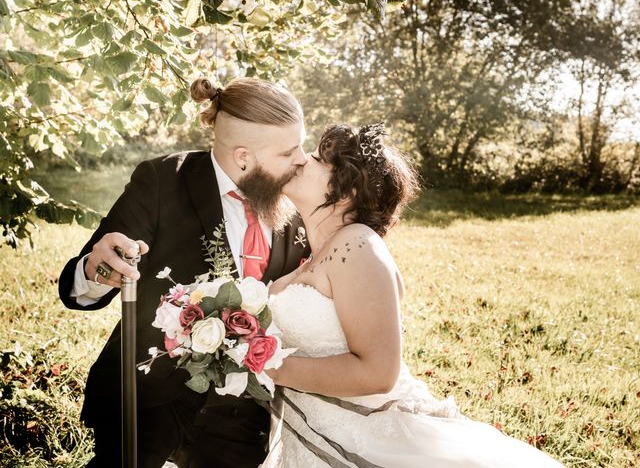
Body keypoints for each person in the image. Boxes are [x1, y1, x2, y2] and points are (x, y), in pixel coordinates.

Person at [262, 123, 564, 467]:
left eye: (316, 159)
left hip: (373, 440)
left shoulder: (356, 244)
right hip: (312, 438)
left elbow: (378, 372)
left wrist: (267, 367)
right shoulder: (315, 254)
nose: (301, 160)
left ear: (347, 190)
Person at [58, 77, 310, 468]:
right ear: (243, 156)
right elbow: (77, 287)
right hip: (151, 392)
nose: (302, 160)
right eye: (289, 152)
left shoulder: (294, 196)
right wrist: (96, 269)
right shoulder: (162, 180)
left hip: (245, 413)